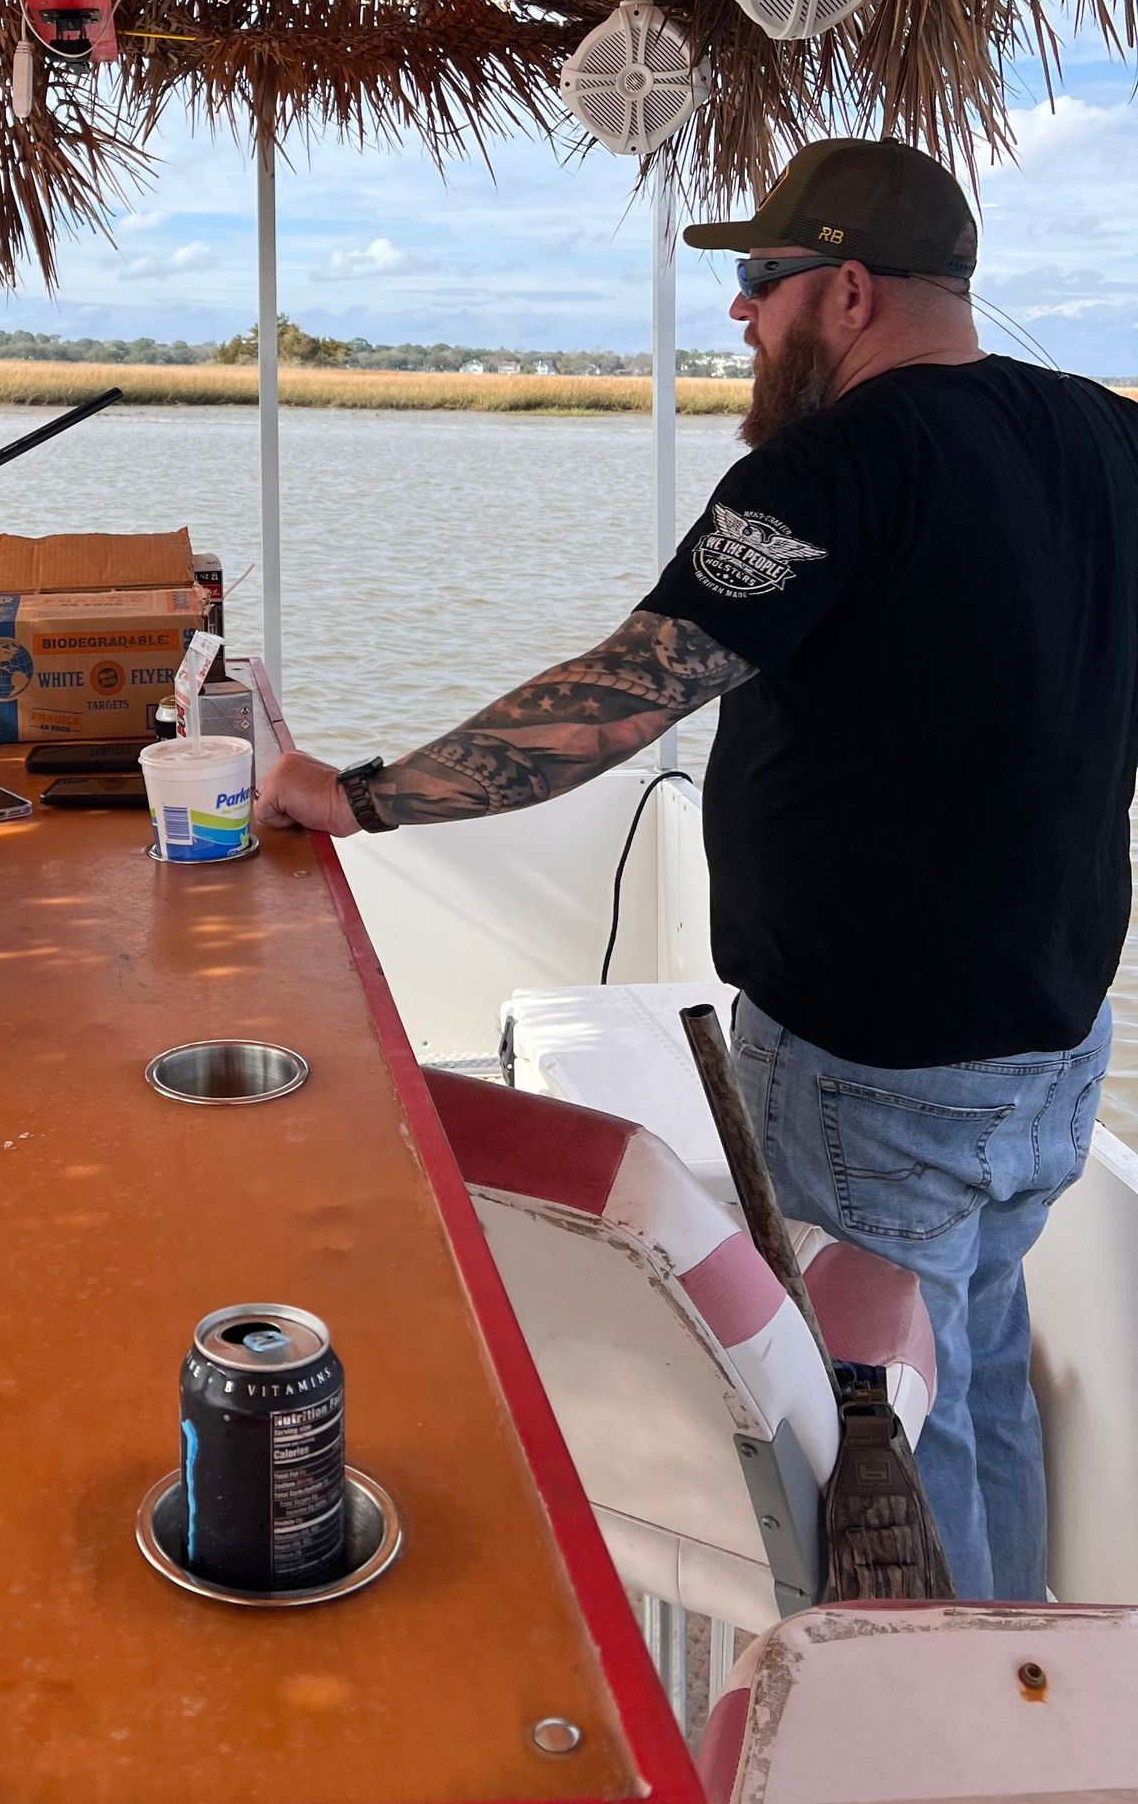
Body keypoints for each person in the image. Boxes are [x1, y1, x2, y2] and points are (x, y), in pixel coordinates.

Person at [259, 137, 1138, 1601]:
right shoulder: (1110, 441)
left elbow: (625, 693)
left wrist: (354, 796)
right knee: (974, 1368)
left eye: (760, 282)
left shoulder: (832, 464)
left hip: (879, 1062)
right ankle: (1012, 1679)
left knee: (869, 1435)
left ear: (847, 290)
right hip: (1048, 1041)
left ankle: (919, 1722)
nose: (740, 316)